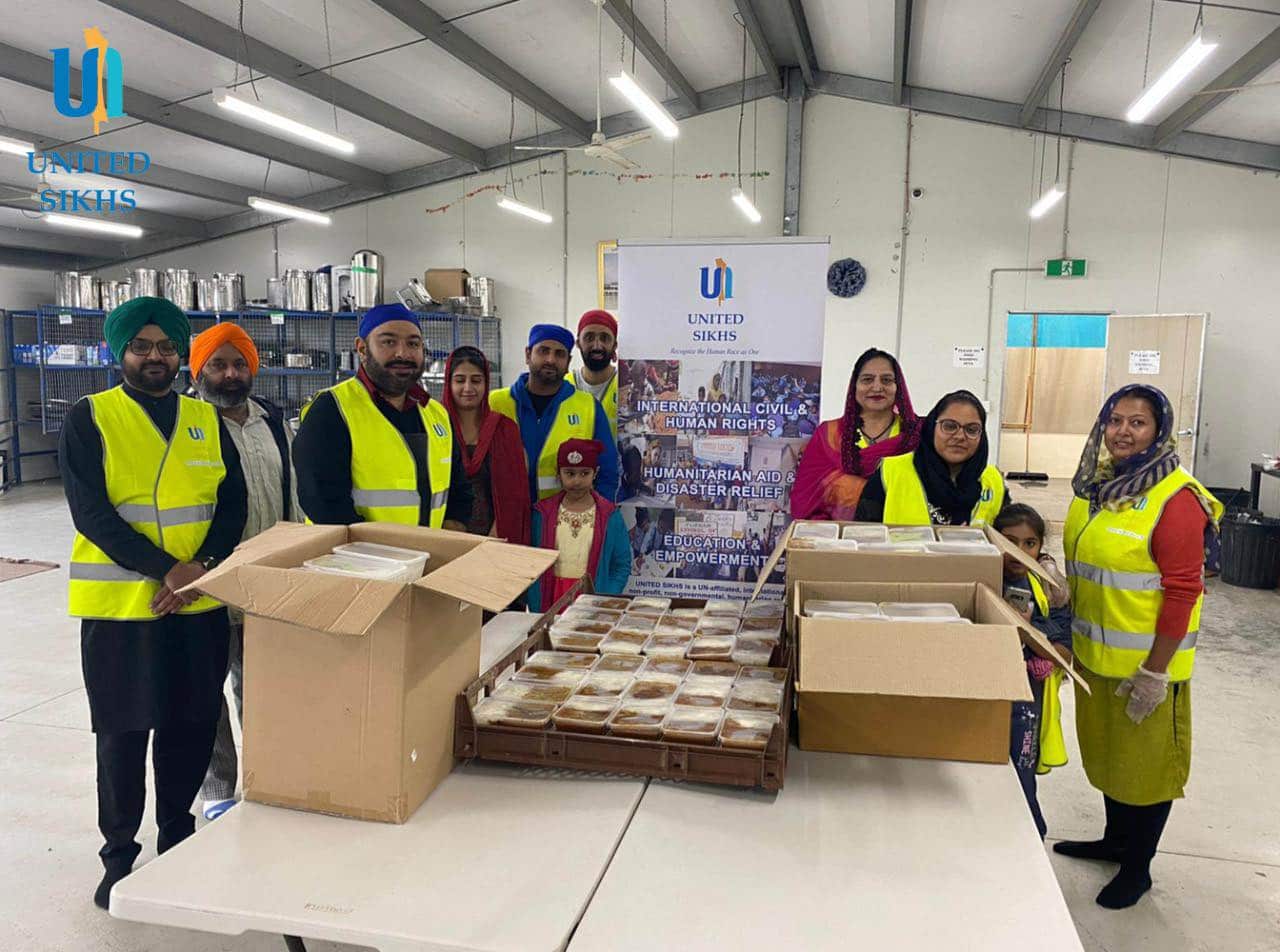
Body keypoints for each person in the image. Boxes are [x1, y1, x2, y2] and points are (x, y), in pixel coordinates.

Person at [59, 297, 248, 910]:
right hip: (121, 612)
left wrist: (203, 571)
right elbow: (91, 513)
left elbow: (231, 505)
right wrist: (168, 570)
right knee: (121, 734)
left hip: (197, 607)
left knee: (190, 727)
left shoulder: (205, 419)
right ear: (121, 354)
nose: (156, 357)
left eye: (167, 346)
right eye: (142, 347)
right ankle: (118, 858)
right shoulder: (91, 417)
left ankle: (176, 840)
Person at [1053, 384, 1223, 910]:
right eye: (1115, 421)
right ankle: (1114, 840)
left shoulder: (1175, 498)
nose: (1123, 432)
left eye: (1138, 423)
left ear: (1159, 431)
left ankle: (1138, 866)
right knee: (1108, 754)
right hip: (1094, 654)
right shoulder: (1097, 488)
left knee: (1148, 771)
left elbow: (1181, 591)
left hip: (1147, 666)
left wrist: (1155, 671)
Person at [188, 322, 299, 822]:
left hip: (267, 577)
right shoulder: (186, 422)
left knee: (263, 685)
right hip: (209, 579)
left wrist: (296, 555)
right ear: (199, 370)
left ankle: (268, 776)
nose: (230, 374)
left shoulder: (272, 420)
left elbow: (290, 491)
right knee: (207, 692)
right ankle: (218, 789)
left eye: (239, 364)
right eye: (218, 364)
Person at [293, 303, 471, 528]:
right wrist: (388, 558)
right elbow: (324, 506)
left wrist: (444, 544)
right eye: (389, 342)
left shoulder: (437, 414)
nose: (402, 353)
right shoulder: (331, 411)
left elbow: (459, 493)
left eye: (413, 343)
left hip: (428, 557)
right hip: (353, 560)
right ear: (362, 349)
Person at [993, 504, 1072, 840]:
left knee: (1022, 771)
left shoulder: (1049, 587)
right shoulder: (984, 575)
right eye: (1009, 541)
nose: (1019, 552)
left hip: (1028, 698)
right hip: (993, 688)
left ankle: (1032, 835)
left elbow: (1064, 646)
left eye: (1029, 543)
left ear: (1041, 546)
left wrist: (1036, 639)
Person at [491, 323, 618, 504]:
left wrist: (599, 519)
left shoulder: (587, 407)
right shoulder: (496, 403)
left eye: (559, 354)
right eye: (543, 351)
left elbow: (607, 473)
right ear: (528, 354)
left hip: (564, 522)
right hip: (506, 518)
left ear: (568, 362)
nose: (550, 359)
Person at [791, 348, 921, 521]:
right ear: (855, 386)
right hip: (839, 541)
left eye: (887, 380)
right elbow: (805, 499)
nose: (877, 387)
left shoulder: (917, 435)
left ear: (898, 387)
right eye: (867, 380)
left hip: (903, 538)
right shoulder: (829, 434)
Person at [855, 389, 1006, 526]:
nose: (960, 436)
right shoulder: (890, 473)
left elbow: (1008, 541)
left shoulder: (993, 481)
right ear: (931, 428)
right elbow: (862, 538)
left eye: (972, 429)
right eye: (949, 426)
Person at [527, 439, 631, 611]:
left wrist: (605, 598)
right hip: (550, 599)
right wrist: (535, 601)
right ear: (558, 473)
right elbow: (531, 562)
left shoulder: (609, 516)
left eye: (584, 474)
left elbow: (621, 564)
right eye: (570, 473)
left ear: (595, 473)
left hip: (592, 601)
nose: (576, 481)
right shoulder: (542, 513)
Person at [441, 345, 531, 543]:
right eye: (459, 380)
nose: (468, 388)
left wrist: (493, 540)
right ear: (448, 383)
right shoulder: (434, 426)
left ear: (486, 383)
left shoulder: (505, 430)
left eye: (476, 380)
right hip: (443, 539)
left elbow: (514, 494)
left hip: (497, 540)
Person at [567, 309, 619, 438]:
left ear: (614, 345)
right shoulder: (563, 386)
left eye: (604, 338)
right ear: (578, 343)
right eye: (589, 338)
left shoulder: (624, 386)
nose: (597, 346)